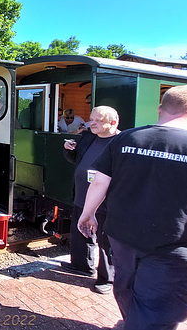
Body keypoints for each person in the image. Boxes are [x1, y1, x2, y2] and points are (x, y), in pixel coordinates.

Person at [78, 85, 187, 330]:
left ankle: (132, 322)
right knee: (160, 307)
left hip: (122, 236)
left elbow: (100, 181)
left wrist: (87, 214)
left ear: (160, 109)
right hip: (174, 244)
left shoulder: (127, 138)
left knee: (125, 287)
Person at [60, 106, 120, 295]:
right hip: (82, 196)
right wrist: (68, 150)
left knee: (105, 241)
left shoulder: (121, 142)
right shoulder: (88, 137)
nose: (91, 123)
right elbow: (75, 160)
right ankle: (81, 265)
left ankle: (107, 278)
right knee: (80, 233)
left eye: (97, 120)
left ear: (113, 122)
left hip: (106, 202)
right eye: (91, 119)